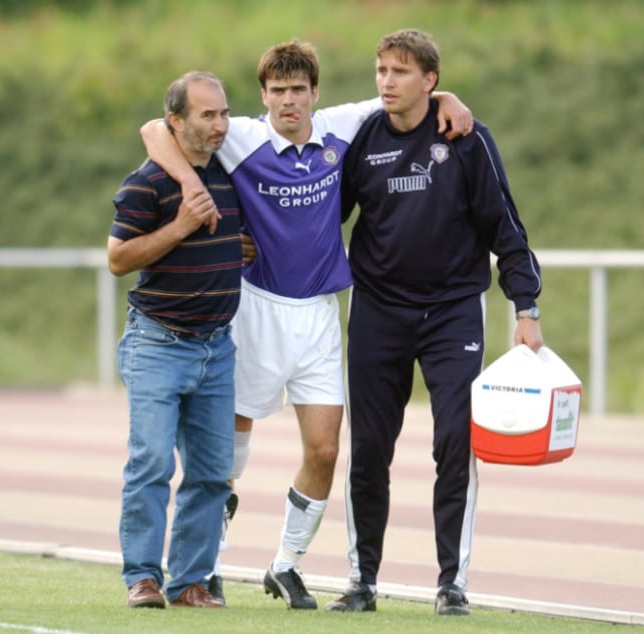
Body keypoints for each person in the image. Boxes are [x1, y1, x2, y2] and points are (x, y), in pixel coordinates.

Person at [139, 40, 473, 609]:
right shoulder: (241, 136)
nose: (288, 102)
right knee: (226, 459)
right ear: (263, 95)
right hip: (255, 311)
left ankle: (285, 564)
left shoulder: (343, 125)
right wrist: (193, 187)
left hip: (319, 316)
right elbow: (154, 129)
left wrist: (448, 95)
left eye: (298, 91)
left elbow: (404, 98)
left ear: (315, 94)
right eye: (277, 92)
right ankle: (205, 565)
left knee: (324, 453)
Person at [327, 29, 544, 616]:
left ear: (430, 82)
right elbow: (324, 219)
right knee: (369, 448)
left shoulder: (466, 139)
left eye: (400, 72)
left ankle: (452, 584)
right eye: (380, 71)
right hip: (377, 311)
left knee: (455, 442)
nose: (386, 82)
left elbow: (508, 231)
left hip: (453, 313)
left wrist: (526, 309)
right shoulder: (361, 140)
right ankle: (361, 580)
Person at [108, 70, 240, 610]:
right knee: (152, 465)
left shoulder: (232, 172)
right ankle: (142, 577)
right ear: (175, 121)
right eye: (207, 115)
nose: (220, 125)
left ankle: (190, 582)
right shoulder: (147, 183)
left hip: (218, 347)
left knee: (211, 475)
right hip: (158, 344)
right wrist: (182, 225)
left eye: (224, 113)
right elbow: (118, 259)